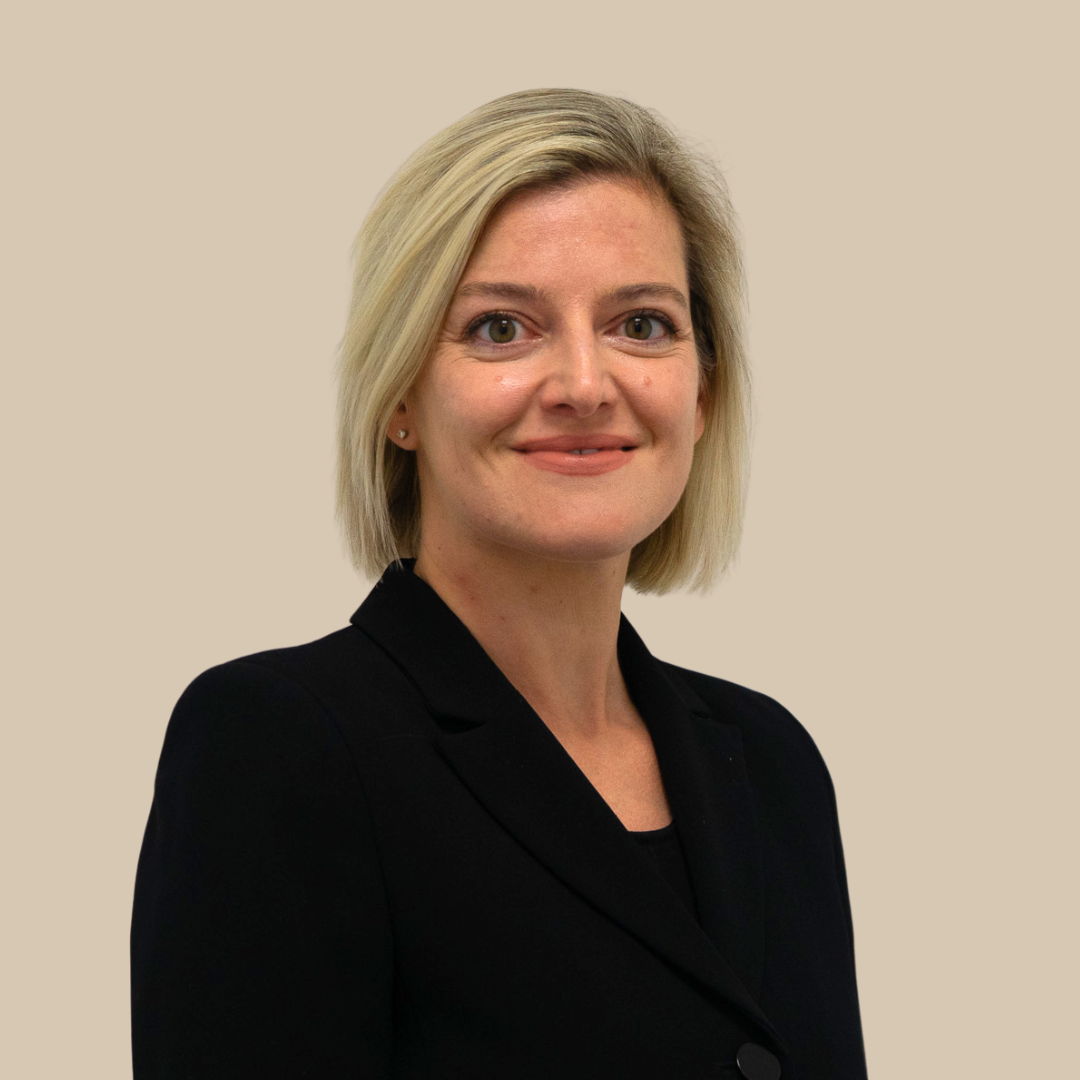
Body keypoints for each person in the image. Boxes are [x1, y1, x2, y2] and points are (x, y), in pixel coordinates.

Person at [131, 88, 868, 1080]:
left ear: (702, 395)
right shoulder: (281, 745)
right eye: (500, 330)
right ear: (399, 395)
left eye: (641, 324)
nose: (583, 382)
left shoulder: (772, 762)